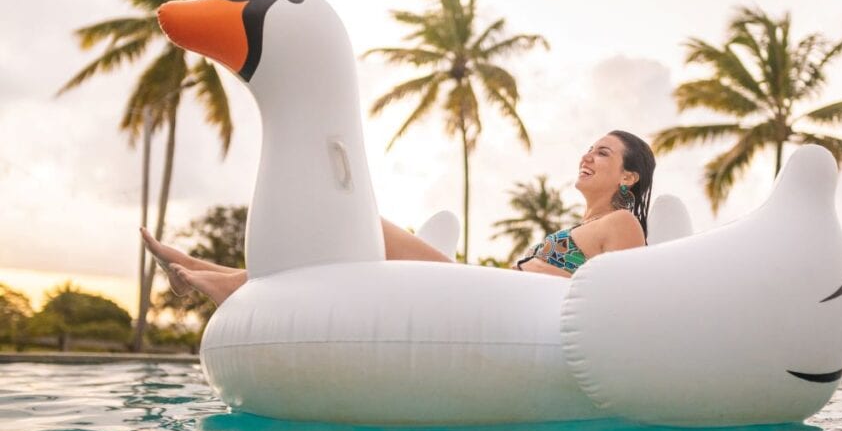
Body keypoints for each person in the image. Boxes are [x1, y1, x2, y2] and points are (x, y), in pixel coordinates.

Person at [141, 130, 655, 305]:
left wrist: (540, 272)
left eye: (604, 154)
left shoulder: (624, 225)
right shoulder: (582, 225)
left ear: (628, 178)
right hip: (498, 291)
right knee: (362, 244)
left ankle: (225, 280)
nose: (587, 157)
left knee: (367, 226)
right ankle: (226, 278)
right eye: (588, 149)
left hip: (498, 295)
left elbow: (620, 300)